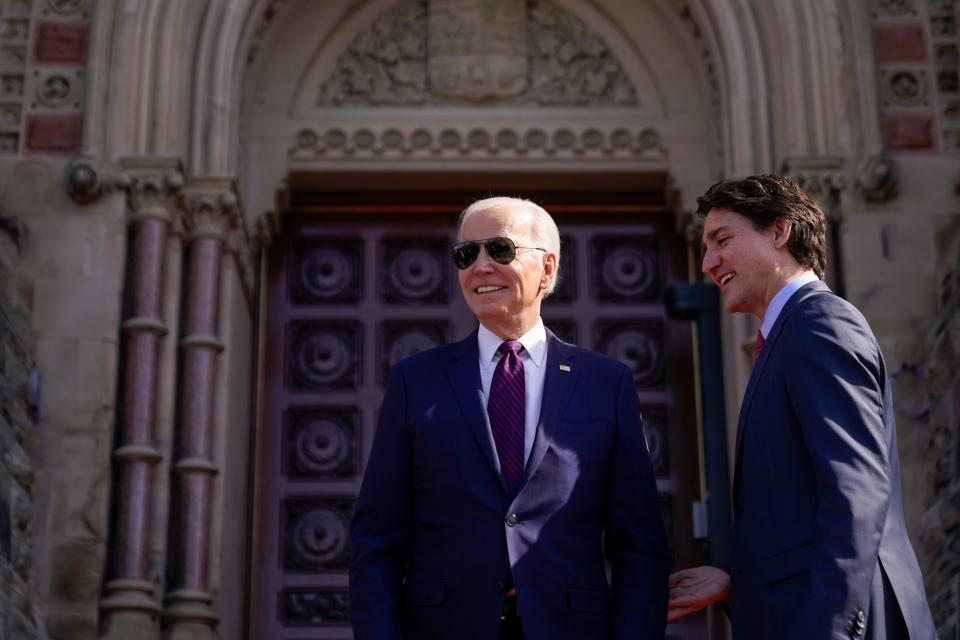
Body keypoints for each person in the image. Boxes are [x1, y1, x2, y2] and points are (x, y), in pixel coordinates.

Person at [350, 197, 668, 639]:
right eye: (466, 254)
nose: (479, 267)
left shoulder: (605, 383)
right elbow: (377, 539)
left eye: (499, 250)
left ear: (548, 267)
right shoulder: (415, 380)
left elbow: (638, 543)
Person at [668, 175, 937, 639]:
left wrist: (831, 629)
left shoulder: (819, 323)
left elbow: (856, 493)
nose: (708, 262)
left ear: (779, 231)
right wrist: (737, 582)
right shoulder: (788, 333)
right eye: (706, 247)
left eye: (722, 241)